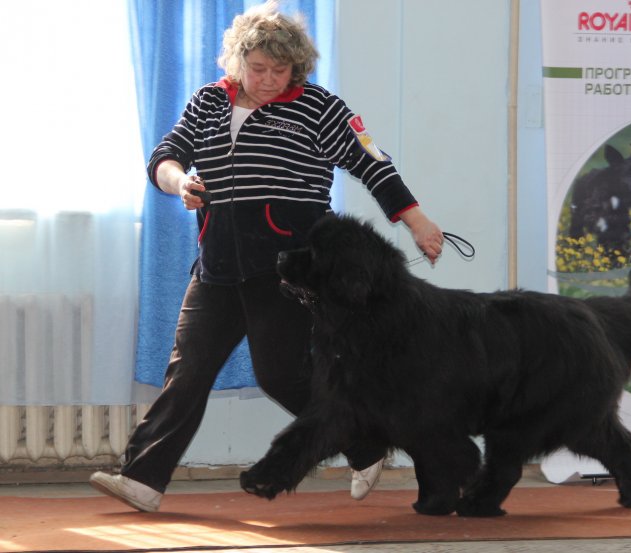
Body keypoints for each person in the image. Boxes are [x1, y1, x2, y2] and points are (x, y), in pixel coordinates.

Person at [90, 1, 443, 513]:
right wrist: (180, 182)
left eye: (281, 70)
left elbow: (373, 164)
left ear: (296, 68)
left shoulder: (319, 107)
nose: (270, 79)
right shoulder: (207, 101)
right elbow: (164, 158)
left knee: (281, 375)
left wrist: (416, 220)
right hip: (216, 267)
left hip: (288, 268)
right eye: (259, 68)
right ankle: (142, 479)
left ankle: (364, 443)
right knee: (187, 373)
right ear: (238, 61)